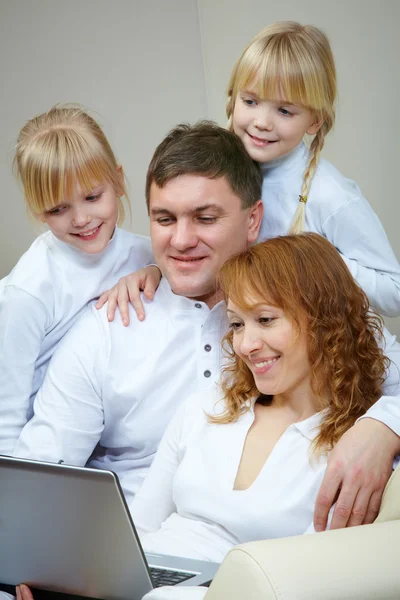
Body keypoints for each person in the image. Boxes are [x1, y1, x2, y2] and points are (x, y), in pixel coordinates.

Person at [103, 22, 400, 531]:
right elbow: (194, 237)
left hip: (316, 349)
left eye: (284, 110)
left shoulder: (331, 194)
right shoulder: (239, 165)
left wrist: (321, 263)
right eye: (250, 101)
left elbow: (391, 291)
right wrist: (151, 270)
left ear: (314, 122)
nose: (261, 122)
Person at [130, 233, 399, 600]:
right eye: (238, 324)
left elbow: (304, 582)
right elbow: (136, 533)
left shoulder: (355, 452)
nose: (245, 344)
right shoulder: (206, 408)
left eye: (266, 319)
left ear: (324, 320)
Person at [13, 121, 264, 505]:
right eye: (164, 219)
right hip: (144, 544)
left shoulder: (296, 301)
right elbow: (36, 475)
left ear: (253, 221)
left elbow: (384, 373)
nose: (180, 240)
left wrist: (382, 427)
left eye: (205, 218)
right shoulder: (91, 324)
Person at [0, 105, 153, 456]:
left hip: (103, 437)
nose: (81, 219)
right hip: (39, 448)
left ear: (117, 180)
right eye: (58, 209)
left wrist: (156, 271)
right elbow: (5, 421)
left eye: (92, 197)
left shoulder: (147, 256)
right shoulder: (29, 291)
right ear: (38, 208)